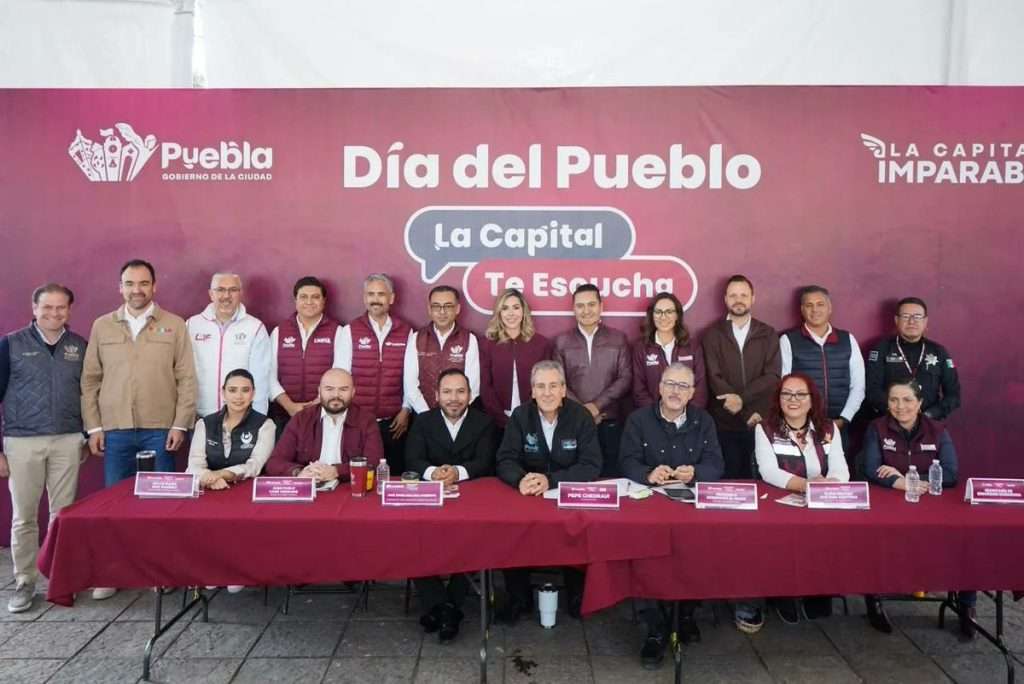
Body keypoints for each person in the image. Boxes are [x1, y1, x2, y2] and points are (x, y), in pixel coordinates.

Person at [81, 259, 197, 600]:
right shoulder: (102, 326)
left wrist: (180, 423)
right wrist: (94, 427)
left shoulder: (174, 325)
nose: (137, 290)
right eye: (130, 284)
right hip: (115, 430)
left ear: (154, 286)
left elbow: (186, 378)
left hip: (160, 429)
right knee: (115, 504)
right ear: (120, 287)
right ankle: (113, 572)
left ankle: (160, 571)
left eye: (143, 283)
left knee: (161, 505)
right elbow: (90, 380)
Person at [620, 363, 724, 666]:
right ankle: (654, 625)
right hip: (649, 507)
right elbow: (625, 461)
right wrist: (647, 473)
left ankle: (686, 613)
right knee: (644, 553)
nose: (675, 391)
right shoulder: (638, 419)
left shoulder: (704, 421)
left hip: (690, 507)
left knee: (698, 548)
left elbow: (717, 464)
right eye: (670, 384)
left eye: (683, 386)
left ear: (692, 393)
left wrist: (696, 473)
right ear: (659, 388)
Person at [863, 379, 974, 639]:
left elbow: (950, 474)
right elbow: (871, 469)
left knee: (968, 538)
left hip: (930, 506)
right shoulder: (876, 428)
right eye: (894, 400)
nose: (900, 406)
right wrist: (899, 483)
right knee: (872, 539)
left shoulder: (937, 430)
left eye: (907, 400)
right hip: (888, 506)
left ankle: (967, 605)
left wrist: (907, 479)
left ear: (920, 403)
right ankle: (874, 598)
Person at [0, 284, 86, 613]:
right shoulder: (10, 344)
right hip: (22, 441)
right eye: (47, 307)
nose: (54, 313)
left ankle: (59, 579)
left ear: (69, 310)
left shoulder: (78, 346)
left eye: (61, 307)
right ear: (34, 308)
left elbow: (87, 393)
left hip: (67, 439)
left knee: (63, 516)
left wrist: (85, 435)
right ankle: (24, 580)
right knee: (24, 517)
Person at [494, 360, 602, 623]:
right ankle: (518, 598)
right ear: (532, 391)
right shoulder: (520, 416)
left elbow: (591, 465)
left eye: (553, 386)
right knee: (510, 530)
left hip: (567, 494)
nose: (547, 392)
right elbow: (505, 459)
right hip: (529, 495)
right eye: (540, 386)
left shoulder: (581, 416)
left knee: (580, 529)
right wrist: (520, 480)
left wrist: (551, 481)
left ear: (564, 389)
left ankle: (577, 595)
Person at [405, 368, 496, 643]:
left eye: (460, 392)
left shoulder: (484, 423)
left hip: (472, 501)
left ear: (470, 395)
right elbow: (413, 459)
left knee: (475, 539)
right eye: (447, 392)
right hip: (429, 501)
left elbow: (485, 462)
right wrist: (434, 473)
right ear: (436, 395)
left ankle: (443, 607)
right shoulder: (423, 422)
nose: (453, 398)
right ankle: (445, 607)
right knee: (409, 538)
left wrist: (457, 472)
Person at [754, 373, 849, 624]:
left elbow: (841, 468)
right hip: (782, 504)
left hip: (822, 503)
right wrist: (807, 486)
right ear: (778, 399)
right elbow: (769, 471)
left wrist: (829, 485)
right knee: (783, 541)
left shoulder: (829, 428)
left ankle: (818, 590)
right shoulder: (765, 429)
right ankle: (782, 593)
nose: (793, 399)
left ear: (811, 399)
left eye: (800, 394)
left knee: (825, 539)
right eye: (786, 394)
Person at [702, 274, 781, 480]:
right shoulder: (712, 334)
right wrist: (744, 412)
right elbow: (714, 377)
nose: (739, 300)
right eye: (733, 295)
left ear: (753, 298)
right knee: (729, 482)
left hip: (760, 420)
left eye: (744, 295)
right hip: (725, 423)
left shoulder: (768, 333)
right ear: (725, 299)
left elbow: (773, 375)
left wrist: (743, 402)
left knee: (763, 481)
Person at [334, 273, 413, 473]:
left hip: (394, 422)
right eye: (371, 294)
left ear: (391, 298)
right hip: (358, 420)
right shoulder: (350, 330)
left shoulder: (406, 331)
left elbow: (410, 376)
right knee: (360, 475)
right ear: (364, 298)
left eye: (381, 294)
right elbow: (341, 375)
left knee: (393, 475)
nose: (375, 299)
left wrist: (406, 409)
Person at [552, 284, 632, 477]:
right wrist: (583, 412)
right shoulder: (561, 341)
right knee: (576, 478)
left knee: (610, 479)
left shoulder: (618, 339)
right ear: (573, 309)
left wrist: (597, 406)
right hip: (573, 423)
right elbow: (558, 382)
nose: (586, 310)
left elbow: (625, 378)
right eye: (580, 305)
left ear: (601, 306)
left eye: (591, 304)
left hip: (609, 421)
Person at [779, 285, 864, 447]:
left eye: (820, 304)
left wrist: (844, 419)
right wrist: (800, 420)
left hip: (840, 425)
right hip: (801, 426)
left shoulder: (847, 339)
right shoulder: (788, 340)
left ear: (829, 308)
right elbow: (784, 386)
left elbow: (858, 386)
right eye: (809, 305)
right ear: (802, 309)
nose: (815, 310)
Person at [264, 368, 382, 483]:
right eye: (329, 389)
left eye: (343, 389)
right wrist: (299, 472)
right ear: (319, 391)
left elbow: (373, 463)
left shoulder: (366, 421)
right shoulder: (301, 419)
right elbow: (274, 463)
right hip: (309, 485)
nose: (336, 395)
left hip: (349, 487)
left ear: (353, 392)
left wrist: (337, 471)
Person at [186, 272, 272, 417]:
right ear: (211, 294)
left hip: (240, 416)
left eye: (233, 290)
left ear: (241, 293)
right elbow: (183, 372)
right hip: (199, 415)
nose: (226, 296)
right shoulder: (191, 325)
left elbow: (261, 378)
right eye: (220, 290)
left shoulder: (255, 327)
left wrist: (258, 418)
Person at [865, 297, 960, 420]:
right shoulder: (882, 349)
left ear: (925, 321)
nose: (911, 321)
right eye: (905, 316)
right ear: (896, 320)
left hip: (929, 421)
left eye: (917, 317)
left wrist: (929, 415)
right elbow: (872, 391)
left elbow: (953, 395)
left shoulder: (939, 351)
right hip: (889, 421)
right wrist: (899, 412)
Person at [268, 276, 343, 432]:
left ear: (324, 301)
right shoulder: (279, 331)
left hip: (324, 413)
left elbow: (340, 373)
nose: (309, 302)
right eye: (303, 297)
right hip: (284, 414)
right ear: (295, 300)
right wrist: (289, 406)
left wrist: (317, 403)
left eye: (315, 297)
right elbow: (269, 375)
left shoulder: (338, 332)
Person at [186, 368, 275, 490]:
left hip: (247, 490)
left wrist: (223, 474)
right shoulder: (205, 423)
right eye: (232, 390)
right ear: (223, 393)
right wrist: (208, 477)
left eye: (245, 390)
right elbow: (195, 463)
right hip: (210, 488)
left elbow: (255, 465)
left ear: (253, 394)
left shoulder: (265, 425)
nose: (238, 396)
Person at [479, 289, 551, 436]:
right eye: (505, 308)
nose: (511, 313)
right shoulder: (487, 344)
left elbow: (545, 385)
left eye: (516, 307)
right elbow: (485, 387)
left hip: (533, 420)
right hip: (495, 422)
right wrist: (502, 420)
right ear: (499, 313)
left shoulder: (541, 344)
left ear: (524, 311)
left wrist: (528, 416)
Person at [404, 286, 480, 415]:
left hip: (458, 416)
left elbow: (473, 386)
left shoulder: (469, 339)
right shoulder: (417, 338)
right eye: (436, 306)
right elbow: (410, 385)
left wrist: (453, 413)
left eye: (448, 306)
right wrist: (427, 415)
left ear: (457, 309)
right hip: (423, 415)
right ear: (429, 309)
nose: (442, 312)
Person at [632, 292, 706, 411]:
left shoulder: (692, 346)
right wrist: (658, 415)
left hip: (688, 417)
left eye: (669, 312)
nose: (663, 317)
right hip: (653, 417)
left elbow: (700, 387)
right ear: (652, 316)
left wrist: (687, 416)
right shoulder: (641, 348)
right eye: (658, 312)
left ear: (677, 315)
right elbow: (639, 390)